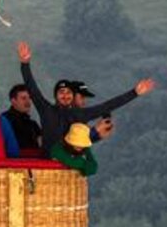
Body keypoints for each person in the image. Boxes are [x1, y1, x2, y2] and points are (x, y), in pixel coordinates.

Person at [17, 41, 155, 153]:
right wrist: (25, 64)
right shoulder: (46, 109)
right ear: (56, 96)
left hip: (69, 167)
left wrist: (134, 93)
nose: (65, 95)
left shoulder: (80, 114)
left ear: (73, 96)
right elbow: (32, 88)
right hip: (48, 166)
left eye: (68, 93)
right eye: (61, 92)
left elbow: (107, 106)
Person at [2, 84, 42, 153]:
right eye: (23, 98)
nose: (28, 102)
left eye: (29, 98)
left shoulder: (33, 125)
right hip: (11, 162)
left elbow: (42, 145)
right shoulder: (4, 121)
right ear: (13, 101)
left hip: (33, 162)